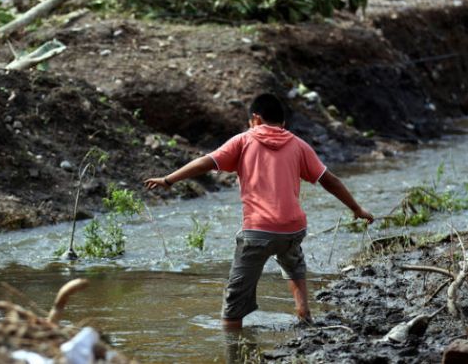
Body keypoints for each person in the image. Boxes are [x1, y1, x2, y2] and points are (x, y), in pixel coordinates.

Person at [143, 93, 374, 330]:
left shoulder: (244, 141)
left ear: (255, 118)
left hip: (258, 231)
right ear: (282, 122)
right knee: (293, 263)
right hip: (293, 229)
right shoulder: (298, 144)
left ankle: (233, 340)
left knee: (234, 299)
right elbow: (330, 180)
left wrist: (168, 179)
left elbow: (207, 162)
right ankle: (304, 313)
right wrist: (356, 208)